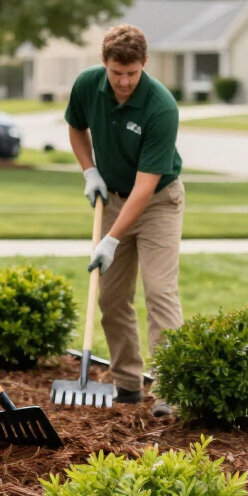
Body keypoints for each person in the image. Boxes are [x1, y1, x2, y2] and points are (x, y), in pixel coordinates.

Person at [67, 24, 184, 417]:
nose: (123, 81)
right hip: (113, 198)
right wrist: (89, 171)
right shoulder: (87, 85)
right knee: (111, 297)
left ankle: (169, 387)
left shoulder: (161, 107)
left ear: (144, 65)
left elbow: (145, 188)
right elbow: (76, 126)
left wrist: (111, 240)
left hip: (157, 203)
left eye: (132, 73)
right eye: (116, 72)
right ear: (104, 64)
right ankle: (128, 385)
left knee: (159, 291)